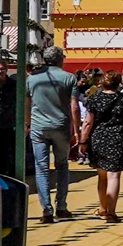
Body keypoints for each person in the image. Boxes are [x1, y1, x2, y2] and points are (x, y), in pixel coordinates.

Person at [26, 47, 79, 222]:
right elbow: (74, 106)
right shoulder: (69, 78)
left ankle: (46, 210)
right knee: (62, 166)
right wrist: (76, 130)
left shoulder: (32, 78)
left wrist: (27, 123)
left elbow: (26, 102)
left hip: (38, 126)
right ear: (59, 60)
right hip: (61, 126)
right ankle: (61, 207)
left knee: (41, 169)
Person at [80, 68, 123, 224]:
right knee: (114, 175)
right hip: (119, 138)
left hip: (98, 139)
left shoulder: (94, 99)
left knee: (102, 175)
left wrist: (82, 140)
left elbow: (87, 122)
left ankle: (102, 208)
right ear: (118, 84)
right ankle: (111, 212)